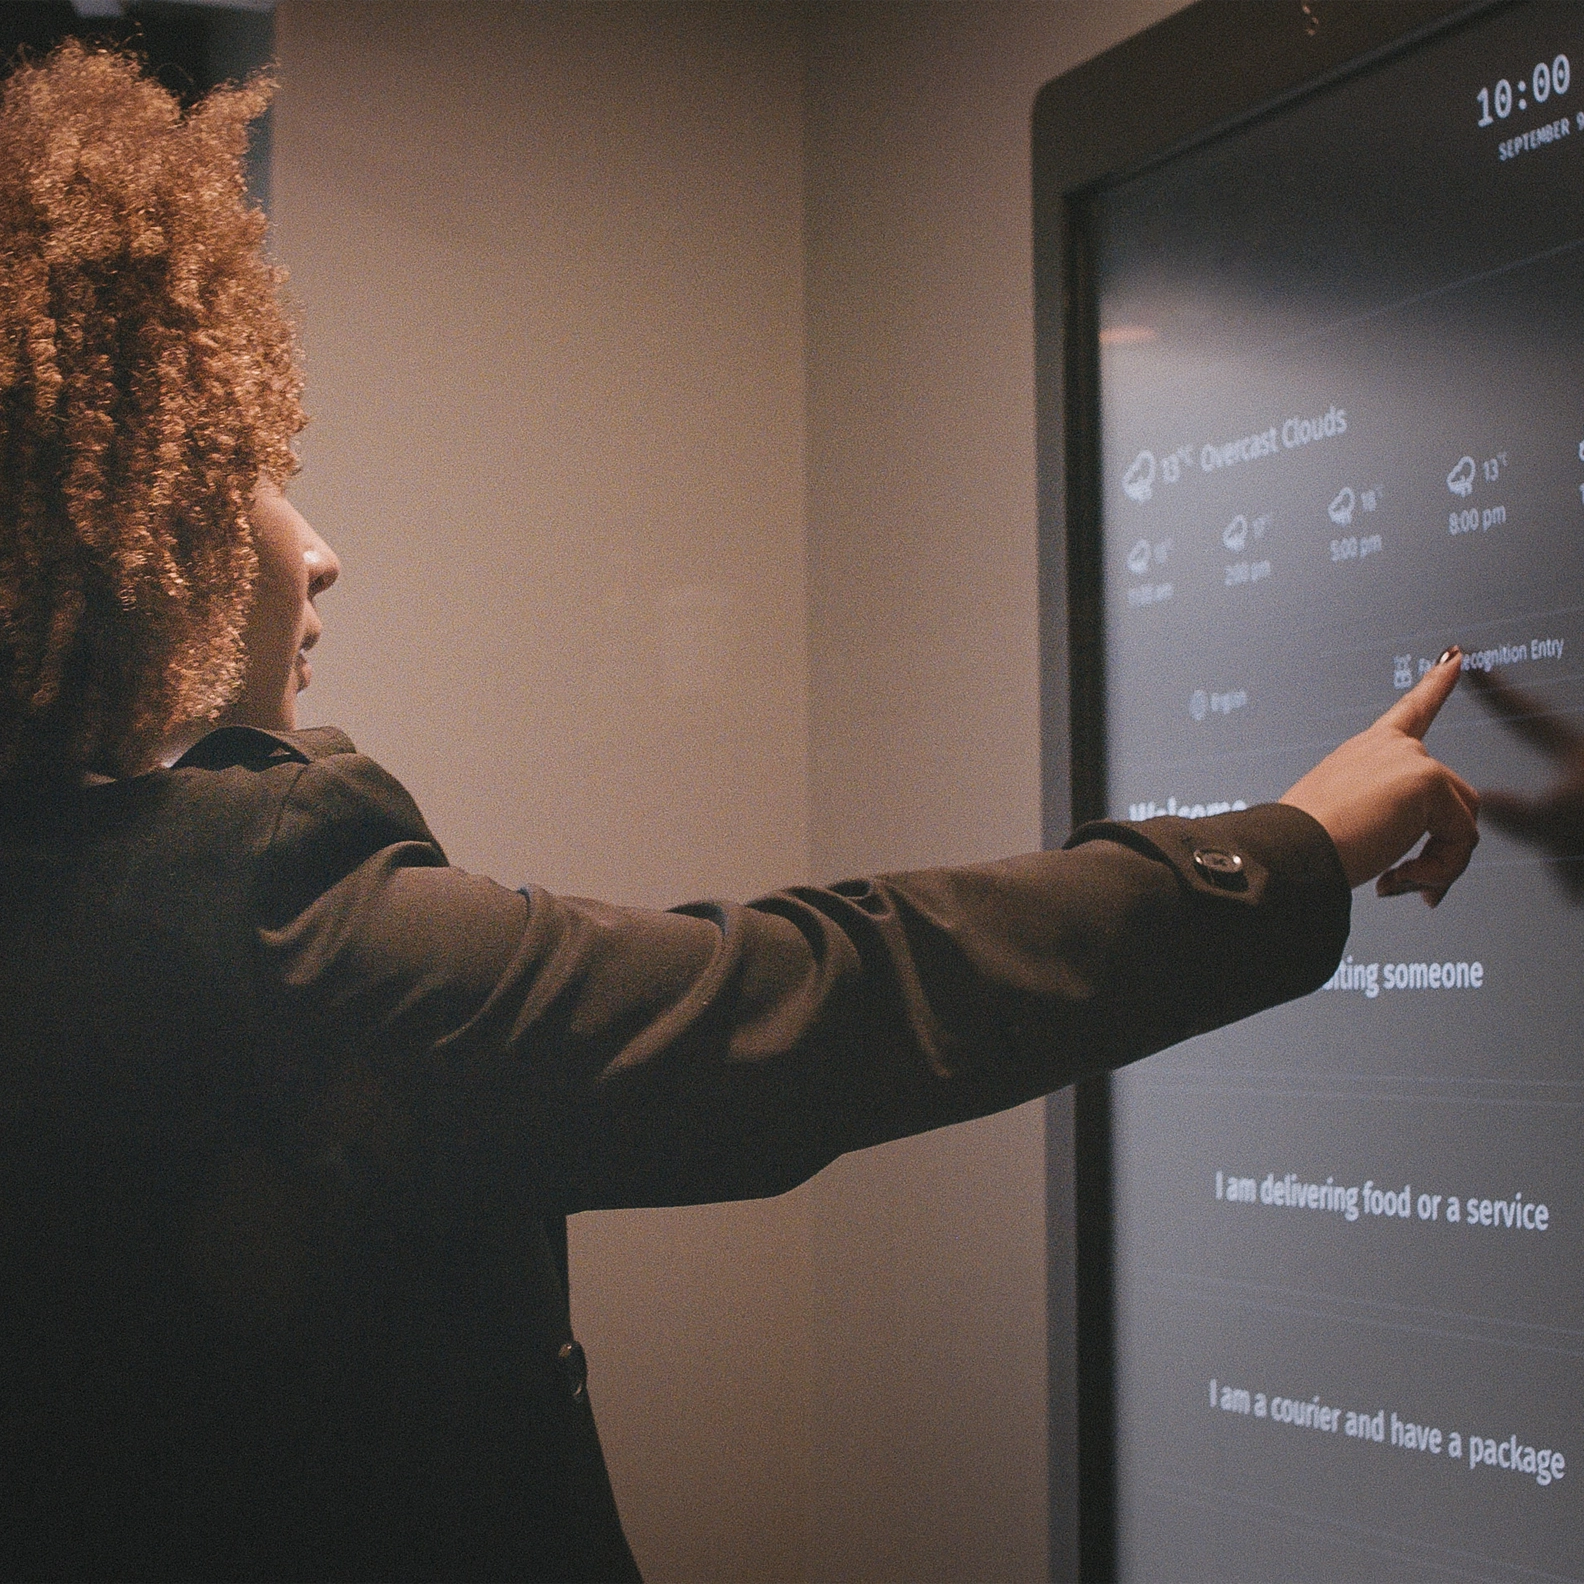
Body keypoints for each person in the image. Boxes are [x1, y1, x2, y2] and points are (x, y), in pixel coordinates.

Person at [0, 44, 1480, 1584]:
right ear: (124, 510)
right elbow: (821, 998)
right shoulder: (273, 935)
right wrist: (1289, 847)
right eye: (254, 468)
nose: (317, 552)